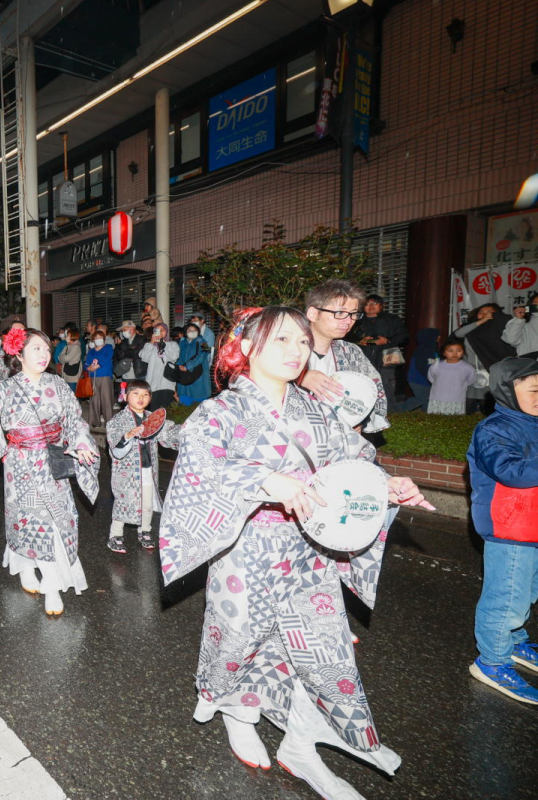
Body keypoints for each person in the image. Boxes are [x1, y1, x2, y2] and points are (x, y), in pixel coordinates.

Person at [159, 306, 428, 799]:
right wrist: (264, 478)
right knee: (241, 636)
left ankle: (301, 744)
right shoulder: (221, 411)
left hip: (310, 547)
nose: (296, 351)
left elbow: (353, 457)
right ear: (247, 347)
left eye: (302, 342)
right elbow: (200, 461)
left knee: (324, 647)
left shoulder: (315, 408)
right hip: (246, 547)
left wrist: (386, 485)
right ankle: (239, 712)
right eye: (281, 340)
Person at [0, 327, 100, 617]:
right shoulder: (4, 389)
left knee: (60, 521)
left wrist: (80, 442)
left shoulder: (57, 385)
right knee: (28, 521)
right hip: (21, 465)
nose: (44, 355)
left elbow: (75, 419)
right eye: (36, 349)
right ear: (19, 354)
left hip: (54, 461)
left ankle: (52, 581)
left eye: (46, 349)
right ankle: (33, 573)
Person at [467, 357, 538, 704]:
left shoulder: (533, 422)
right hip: (509, 528)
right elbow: (510, 471)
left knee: (527, 592)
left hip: (533, 526)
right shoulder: (495, 429)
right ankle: (492, 661)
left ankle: (514, 644)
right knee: (506, 598)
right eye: (535, 390)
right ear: (507, 391)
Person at [299, 279, 390, 434]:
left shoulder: (351, 353)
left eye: (353, 314)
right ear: (313, 313)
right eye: (339, 313)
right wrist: (299, 377)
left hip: (339, 441)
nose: (348, 321)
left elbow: (374, 392)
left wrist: (359, 420)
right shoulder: (284, 348)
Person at [105, 381, 180, 553]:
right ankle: (115, 535)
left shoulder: (153, 418)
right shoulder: (118, 420)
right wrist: (128, 434)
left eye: (146, 394)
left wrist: (186, 431)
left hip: (147, 468)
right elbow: (115, 445)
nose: (141, 397)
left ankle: (145, 530)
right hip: (126, 472)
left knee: (147, 502)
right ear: (126, 396)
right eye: (136, 393)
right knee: (123, 501)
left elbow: (168, 433)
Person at [351, 294, 407, 411]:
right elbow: (346, 336)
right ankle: (364, 412)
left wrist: (387, 340)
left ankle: (390, 414)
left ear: (381, 306)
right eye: (367, 304)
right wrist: (359, 341)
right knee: (362, 386)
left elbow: (404, 336)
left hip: (387, 356)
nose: (371, 306)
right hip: (363, 357)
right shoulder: (356, 320)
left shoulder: (392, 319)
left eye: (374, 303)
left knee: (387, 387)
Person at [456, 303, 515, 370]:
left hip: (499, 367)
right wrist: (483, 320)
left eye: (489, 312)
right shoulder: (472, 327)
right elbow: (458, 334)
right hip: (473, 366)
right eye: (481, 312)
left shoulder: (502, 326)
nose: (484, 315)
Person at [426, 341, 477, 415]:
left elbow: (471, 379)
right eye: (450, 351)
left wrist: (462, 385)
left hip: (457, 398)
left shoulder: (467, 367)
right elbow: (431, 377)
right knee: (436, 418)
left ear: (463, 352)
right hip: (438, 397)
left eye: (458, 351)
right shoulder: (437, 366)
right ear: (444, 353)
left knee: (454, 420)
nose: (455, 354)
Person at [139, 322, 179, 411]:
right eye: (157, 330)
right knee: (153, 411)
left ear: (167, 332)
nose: (160, 332)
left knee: (166, 411)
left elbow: (173, 357)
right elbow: (143, 357)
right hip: (152, 383)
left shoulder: (172, 344)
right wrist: (151, 342)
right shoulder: (151, 346)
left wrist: (164, 344)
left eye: (163, 330)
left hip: (167, 383)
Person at [400, 328, 440, 412]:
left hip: (426, 380)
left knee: (426, 399)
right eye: (437, 336)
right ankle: (398, 409)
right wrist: (432, 376)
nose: (439, 337)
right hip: (418, 380)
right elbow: (421, 366)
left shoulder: (433, 350)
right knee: (422, 398)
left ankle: (426, 415)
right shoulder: (423, 350)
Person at [83, 327, 114, 428]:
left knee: (107, 400)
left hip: (105, 376)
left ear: (104, 338)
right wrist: (89, 368)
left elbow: (107, 358)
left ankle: (109, 422)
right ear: (93, 340)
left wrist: (97, 365)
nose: (98, 339)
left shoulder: (108, 347)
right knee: (94, 400)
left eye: (100, 337)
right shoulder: (91, 351)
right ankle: (94, 421)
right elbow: (86, 363)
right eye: (96, 338)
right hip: (93, 377)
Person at [175, 322, 211, 405]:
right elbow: (179, 357)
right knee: (184, 402)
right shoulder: (182, 342)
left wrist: (188, 366)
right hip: (184, 374)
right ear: (185, 332)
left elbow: (202, 356)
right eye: (189, 330)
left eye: (195, 330)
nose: (192, 331)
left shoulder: (203, 341)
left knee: (198, 402)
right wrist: (178, 366)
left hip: (198, 375)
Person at [0, 319, 24, 388]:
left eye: (22, 331)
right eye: (15, 330)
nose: (19, 333)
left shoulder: (31, 352)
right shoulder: (0, 354)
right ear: (10, 334)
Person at [503, 293, 538, 358]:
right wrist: (518, 320)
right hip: (529, 363)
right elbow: (510, 340)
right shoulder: (522, 323)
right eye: (535, 304)